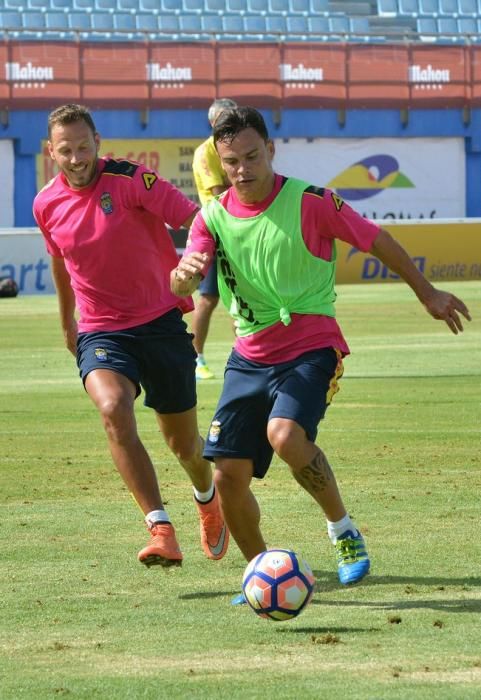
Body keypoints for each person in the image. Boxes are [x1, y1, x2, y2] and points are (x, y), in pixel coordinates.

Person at [171, 106, 471, 603]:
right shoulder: (213, 216)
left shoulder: (311, 202)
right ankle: (261, 573)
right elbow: (184, 269)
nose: (242, 169)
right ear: (219, 163)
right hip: (249, 356)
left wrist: (428, 293)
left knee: (285, 435)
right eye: (231, 162)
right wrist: (181, 277)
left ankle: (343, 531)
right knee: (226, 475)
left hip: (311, 347)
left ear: (271, 150)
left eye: (251, 156)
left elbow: (378, 241)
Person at [33, 103, 229, 570]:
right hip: (102, 330)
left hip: (161, 324)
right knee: (112, 408)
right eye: (66, 150)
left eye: (84, 147)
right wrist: (68, 323)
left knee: (185, 447)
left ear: (98, 141)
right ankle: (161, 529)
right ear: (50, 152)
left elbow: (197, 220)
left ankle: (207, 499)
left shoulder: (131, 180)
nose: (77, 158)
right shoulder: (45, 203)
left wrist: (194, 262)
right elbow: (60, 264)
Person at [191, 98, 237, 380]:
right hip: (215, 231)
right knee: (208, 298)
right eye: (222, 118)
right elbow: (221, 191)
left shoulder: (236, 148)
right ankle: (197, 359)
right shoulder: (205, 152)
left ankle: (250, 354)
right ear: (212, 123)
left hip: (239, 230)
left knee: (246, 296)